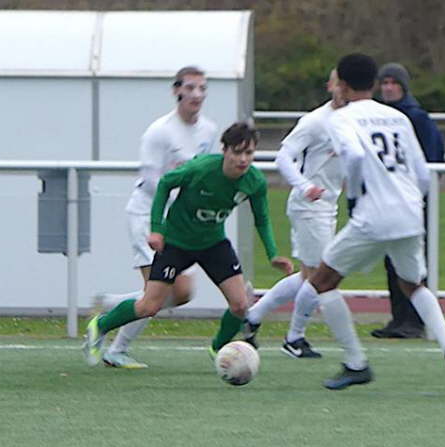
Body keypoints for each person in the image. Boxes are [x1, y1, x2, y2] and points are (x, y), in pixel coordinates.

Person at [288, 53, 445, 395]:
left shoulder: (341, 119)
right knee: (413, 284)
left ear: (341, 83)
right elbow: (422, 171)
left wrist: (355, 193)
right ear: (374, 83)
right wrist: (414, 201)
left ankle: (356, 363)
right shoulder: (397, 117)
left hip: (374, 213)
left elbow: (354, 157)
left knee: (323, 281)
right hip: (410, 211)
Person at [82, 122, 293, 367]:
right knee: (149, 306)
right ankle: (100, 325)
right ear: (224, 150)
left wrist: (273, 254)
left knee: (240, 304)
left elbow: (262, 219)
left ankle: (218, 350)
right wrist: (157, 229)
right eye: (237, 152)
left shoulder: (254, 181)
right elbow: (164, 184)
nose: (243, 159)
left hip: (213, 243)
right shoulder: (201, 169)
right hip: (176, 242)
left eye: (249, 153)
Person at [98, 66, 219, 369]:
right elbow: (152, 181)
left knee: (182, 292)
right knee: (157, 290)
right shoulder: (159, 132)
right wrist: (164, 219)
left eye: (202, 88)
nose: (196, 94)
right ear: (176, 91)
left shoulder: (208, 130)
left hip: (179, 221)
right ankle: (116, 348)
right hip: (148, 216)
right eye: (190, 88)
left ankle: (116, 306)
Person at [243, 69, 364, 364]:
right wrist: (305, 186)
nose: (343, 89)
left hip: (328, 205)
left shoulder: (354, 119)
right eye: (338, 83)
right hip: (309, 207)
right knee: (324, 275)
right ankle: (294, 338)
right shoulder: (315, 121)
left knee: (308, 276)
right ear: (331, 86)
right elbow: (283, 156)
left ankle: (252, 317)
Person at [372, 63, 445, 339]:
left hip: (413, 201)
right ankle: (398, 317)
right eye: (385, 83)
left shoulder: (418, 118)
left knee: (413, 262)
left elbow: (434, 158)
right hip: (387, 201)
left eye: (393, 83)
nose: (388, 88)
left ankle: (415, 321)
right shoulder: (379, 117)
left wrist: (420, 194)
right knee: (391, 260)